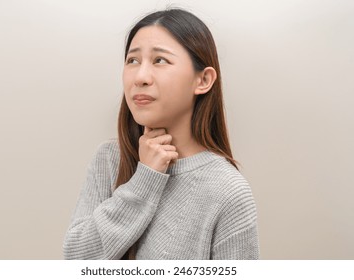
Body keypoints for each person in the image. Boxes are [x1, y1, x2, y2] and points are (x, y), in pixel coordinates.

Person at [63, 8, 259, 260]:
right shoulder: (110, 158)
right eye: (132, 61)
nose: (140, 77)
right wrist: (144, 179)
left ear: (203, 80)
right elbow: (77, 260)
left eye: (160, 60)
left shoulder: (227, 190)